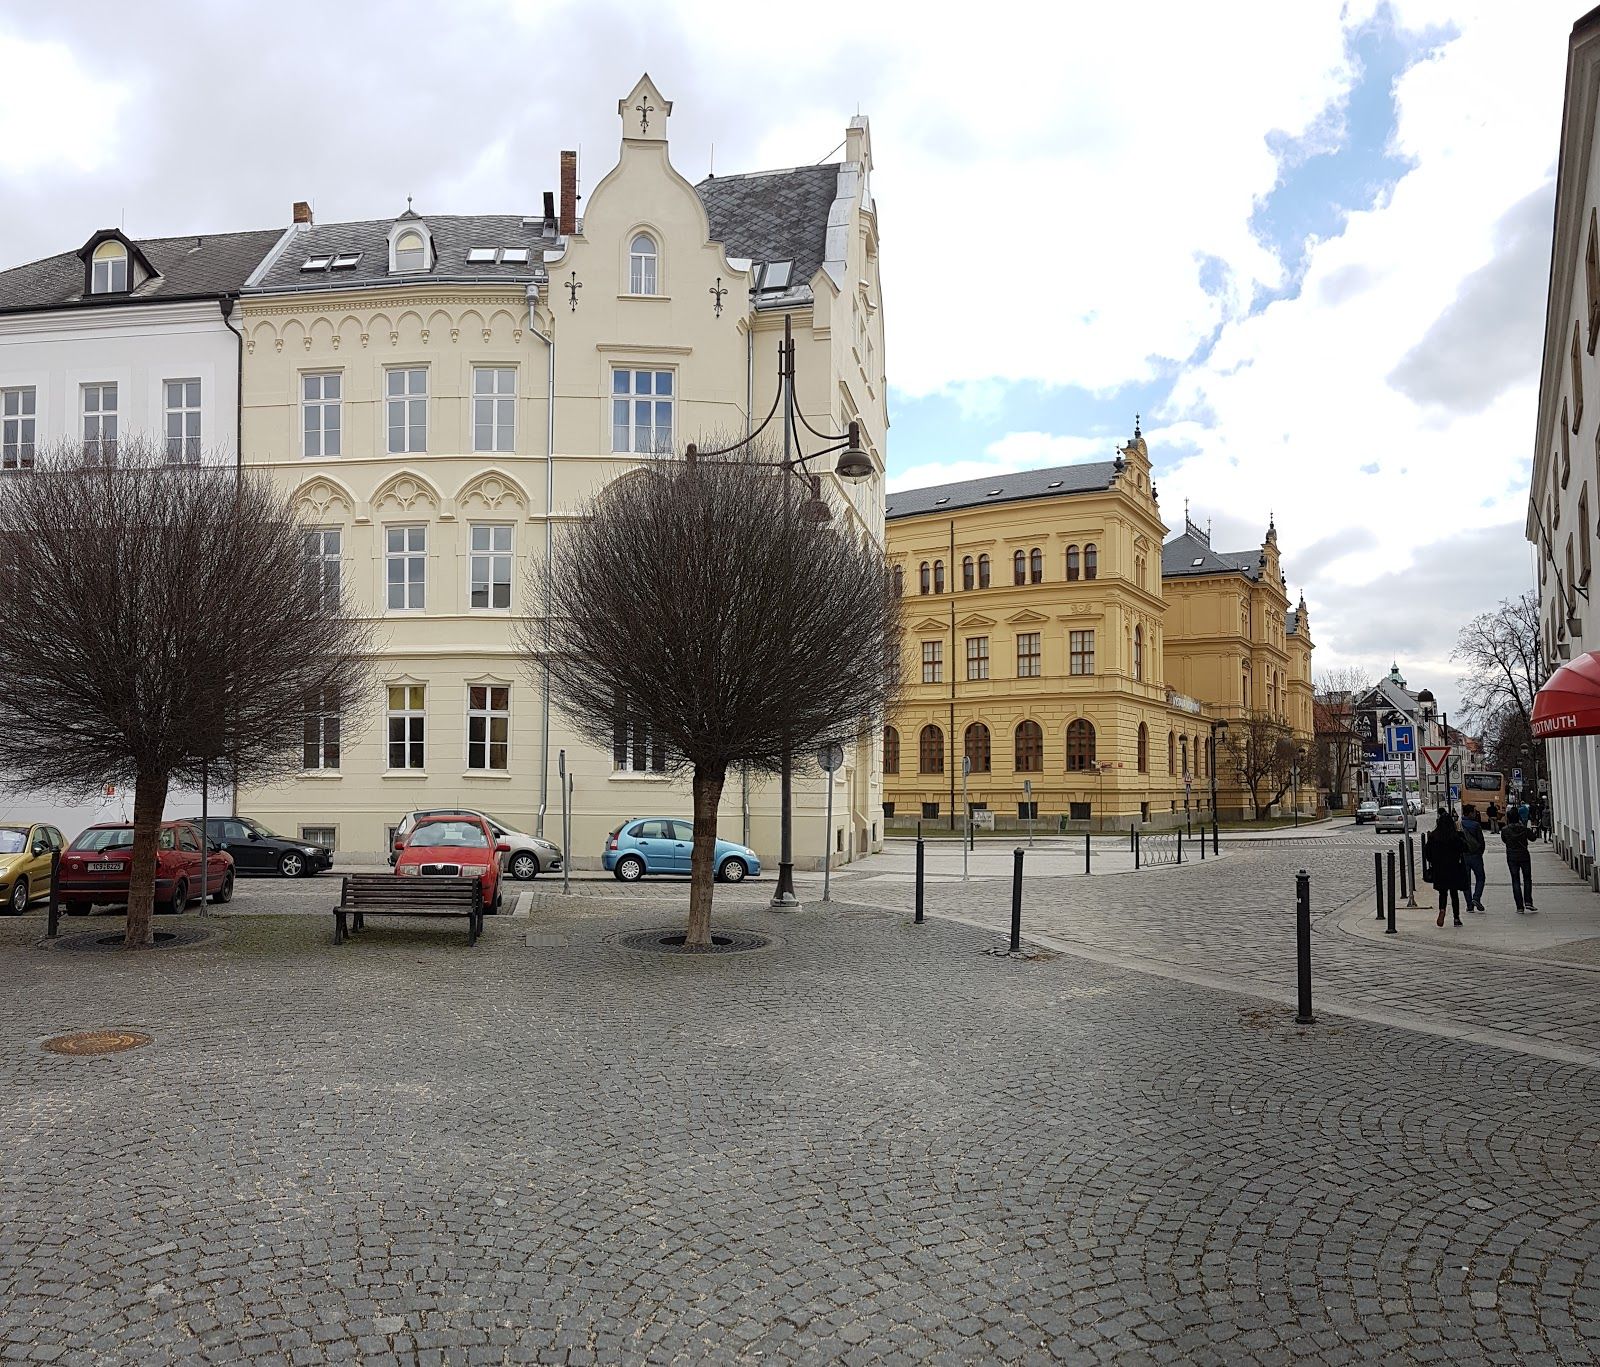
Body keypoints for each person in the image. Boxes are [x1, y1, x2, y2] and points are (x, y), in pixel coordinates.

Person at [1424, 806, 1467, 928]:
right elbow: (1464, 848)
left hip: (1439, 868)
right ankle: (1456, 918)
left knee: (1442, 893)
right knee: (1454, 893)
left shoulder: (1434, 836)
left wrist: (1433, 861)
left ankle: (1442, 910)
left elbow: (1427, 853)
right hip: (1453, 868)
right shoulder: (1455, 836)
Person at [1501, 809, 1536, 913]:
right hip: (1524, 855)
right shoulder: (1524, 829)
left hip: (1512, 856)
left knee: (1515, 880)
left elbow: (1504, 840)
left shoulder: (1505, 830)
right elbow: (1533, 838)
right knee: (1527, 879)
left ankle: (1519, 906)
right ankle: (1528, 902)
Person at [1460, 804, 1488, 912]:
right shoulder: (1476, 825)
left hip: (1464, 855)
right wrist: (1480, 852)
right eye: (1474, 812)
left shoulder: (1459, 824)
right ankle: (1476, 897)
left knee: (1466, 881)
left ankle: (1469, 905)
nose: (1475, 814)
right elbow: (1481, 841)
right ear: (1470, 813)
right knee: (1480, 877)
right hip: (1475, 855)